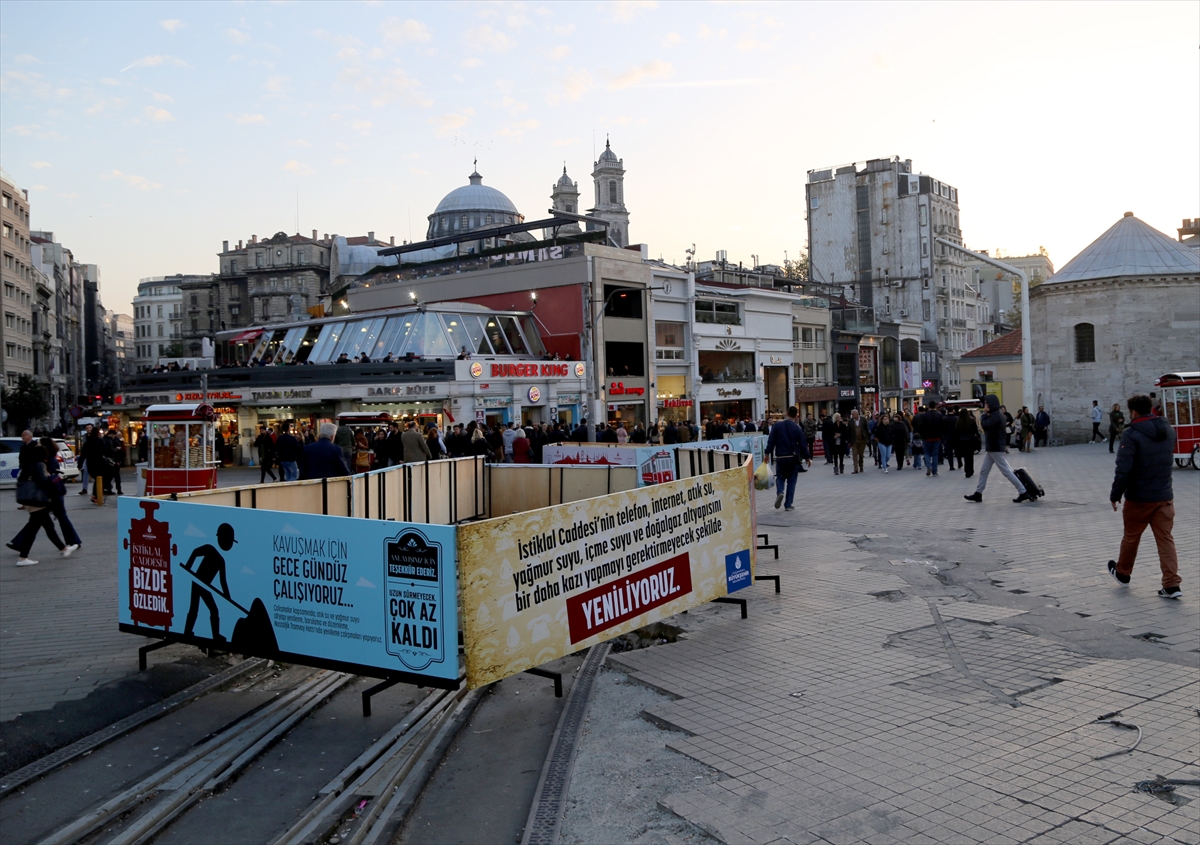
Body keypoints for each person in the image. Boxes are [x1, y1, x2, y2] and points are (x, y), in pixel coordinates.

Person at [1108, 394, 1180, 599]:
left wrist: (1115, 494)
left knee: (1131, 537)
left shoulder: (1131, 434)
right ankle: (1172, 584)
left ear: (1133, 412)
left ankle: (1123, 573)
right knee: (1166, 540)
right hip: (1164, 495)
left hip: (1139, 497)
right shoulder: (1168, 429)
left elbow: (1123, 469)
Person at [10, 444, 73, 566]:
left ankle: (63, 549)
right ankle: (23, 558)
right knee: (35, 530)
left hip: (28, 500)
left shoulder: (28, 465)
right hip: (37, 501)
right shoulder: (40, 465)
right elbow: (44, 481)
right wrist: (55, 479)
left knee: (46, 526)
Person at [964, 394, 1029, 503]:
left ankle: (1023, 491)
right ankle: (978, 493)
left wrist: (984, 414)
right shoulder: (995, 414)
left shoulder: (995, 416)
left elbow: (985, 425)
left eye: (986, 403)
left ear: (991, 404)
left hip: (995, 447)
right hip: (993, 448)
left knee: (1006, 471)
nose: (985, 405)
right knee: (984, 471)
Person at [182, 523, 236, 640]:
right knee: (201, 608)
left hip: (204, 585)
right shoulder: (210, 549)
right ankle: (194, 632)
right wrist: (188, 566)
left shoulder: (221, 561)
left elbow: (223, 581)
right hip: (198, 582)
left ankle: (190, 632)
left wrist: (227, 595)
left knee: (202, 608)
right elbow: (195, 552)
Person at [766, 406, 810, 512]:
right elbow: (803, 444)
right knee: (792, 481)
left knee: (780, 477)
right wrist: (807, 457)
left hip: (780, 457)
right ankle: (788, 504)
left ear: (786, 413)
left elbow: (771, 440)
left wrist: (767, 453)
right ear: (796, 416)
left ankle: (780, 492)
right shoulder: (797, 428)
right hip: (792, 457)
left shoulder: (777, 425)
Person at [80, 426, 109, 505]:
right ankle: (97, 496)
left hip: (90, 463)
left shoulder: (87, 443)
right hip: (99, 463)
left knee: (97, 478)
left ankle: (95, 495)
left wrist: (79, 465)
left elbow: (83, 454)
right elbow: (106, 451)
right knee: (100, 478)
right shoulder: (100, 441)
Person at [955, 408, 981, 479]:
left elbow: (957, 432)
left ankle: (967, 470)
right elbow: (975, 431)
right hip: (971, 440)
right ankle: (970, 470)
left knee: (965, 456)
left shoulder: (959, 422)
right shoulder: (971, 420)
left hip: (962, 441)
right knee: (970, 456)